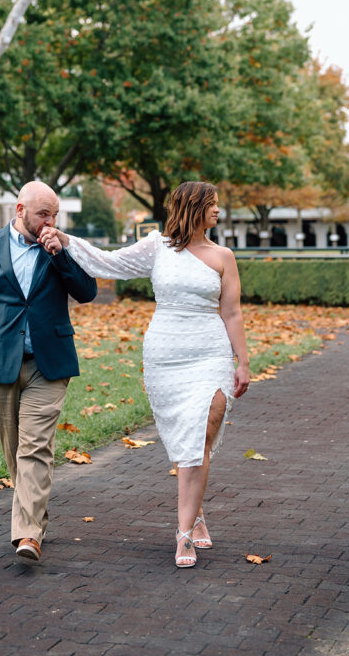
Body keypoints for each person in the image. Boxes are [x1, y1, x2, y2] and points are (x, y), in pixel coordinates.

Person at [39, 180, 249, 569]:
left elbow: (232, 312)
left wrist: (243, 361)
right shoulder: (158, 247)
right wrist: (66, 240)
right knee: (188, 440)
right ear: (193, 207)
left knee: (204, 429)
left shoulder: (224, 256)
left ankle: (183, 531)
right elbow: (109, 262)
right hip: (166, 356)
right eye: (213, 205)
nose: (219, 211)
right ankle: (197, 515)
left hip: (210, 353)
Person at [0, 181, 98, 562]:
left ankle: (28, 534)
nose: (50, 222)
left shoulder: (61, 246)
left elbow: (87, 292)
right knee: (15, 452)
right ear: (20, 210)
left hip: (49, 364)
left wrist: (61, 253)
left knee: (35, 447)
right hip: (0, 364)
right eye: (43, 215)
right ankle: (34, 516)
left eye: (55, 215)